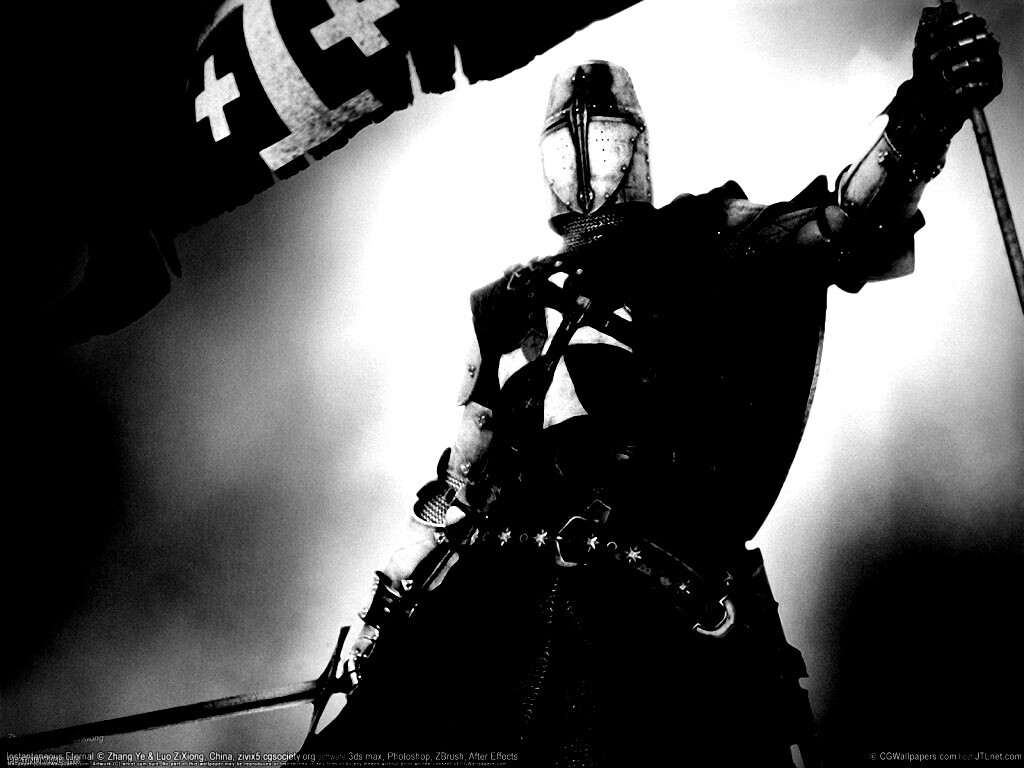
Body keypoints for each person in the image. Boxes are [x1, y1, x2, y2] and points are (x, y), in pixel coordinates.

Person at [302, 7, 1002, 766]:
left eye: (604, 137)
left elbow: (843, 226)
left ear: (634, 144)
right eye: (568, 141)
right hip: (504, 610)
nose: (586, 157)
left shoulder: (709, 238)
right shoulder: (505, 305)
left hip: (657, 626)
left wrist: (925, 117)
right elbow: (457, 488)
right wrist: (380, 618)